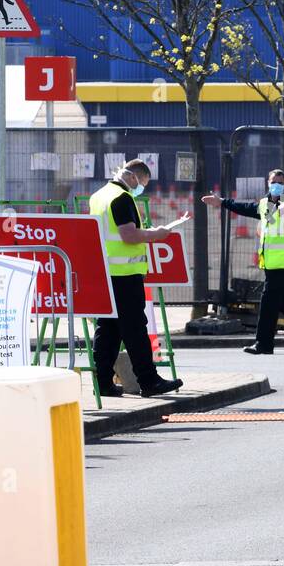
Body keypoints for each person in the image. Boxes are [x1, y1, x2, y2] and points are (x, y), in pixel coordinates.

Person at [88, 159, 189, 396]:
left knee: (108, 329)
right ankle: (149, 381)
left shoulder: (98, 196)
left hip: (106, 273)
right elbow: (129, 235)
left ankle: (102, 383)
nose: (140, 187)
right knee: (135, 329)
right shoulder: (122, 197)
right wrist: (158, 234)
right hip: (125, 274)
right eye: (142, 182)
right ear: (134, 177)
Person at [202, 169, 284, 355]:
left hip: (282, 264)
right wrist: (221, 202)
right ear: (268, 184)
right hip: (269, 263)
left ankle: (263, 344)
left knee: (268, 302)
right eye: (273, 182)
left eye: (280, 182)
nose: (276, 185)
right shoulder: (264, 205)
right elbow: (244, 208)